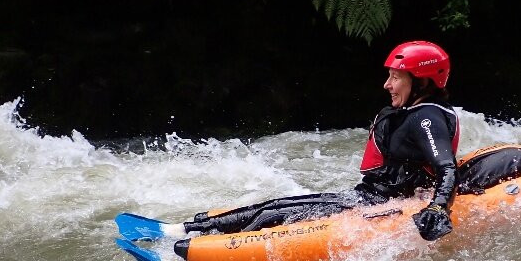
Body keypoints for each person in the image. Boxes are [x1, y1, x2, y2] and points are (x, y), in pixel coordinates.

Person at [183, 40, 460, 242]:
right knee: (271, 206)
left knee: (270, 218)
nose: (387, 84)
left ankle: (198, 255)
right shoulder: (414, 112)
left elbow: (447, 168)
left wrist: (438, 206)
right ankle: (191, 228)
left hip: (379, 204)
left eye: (395, 77)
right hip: (366, 196)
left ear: (422, 83)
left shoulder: (427, 118)